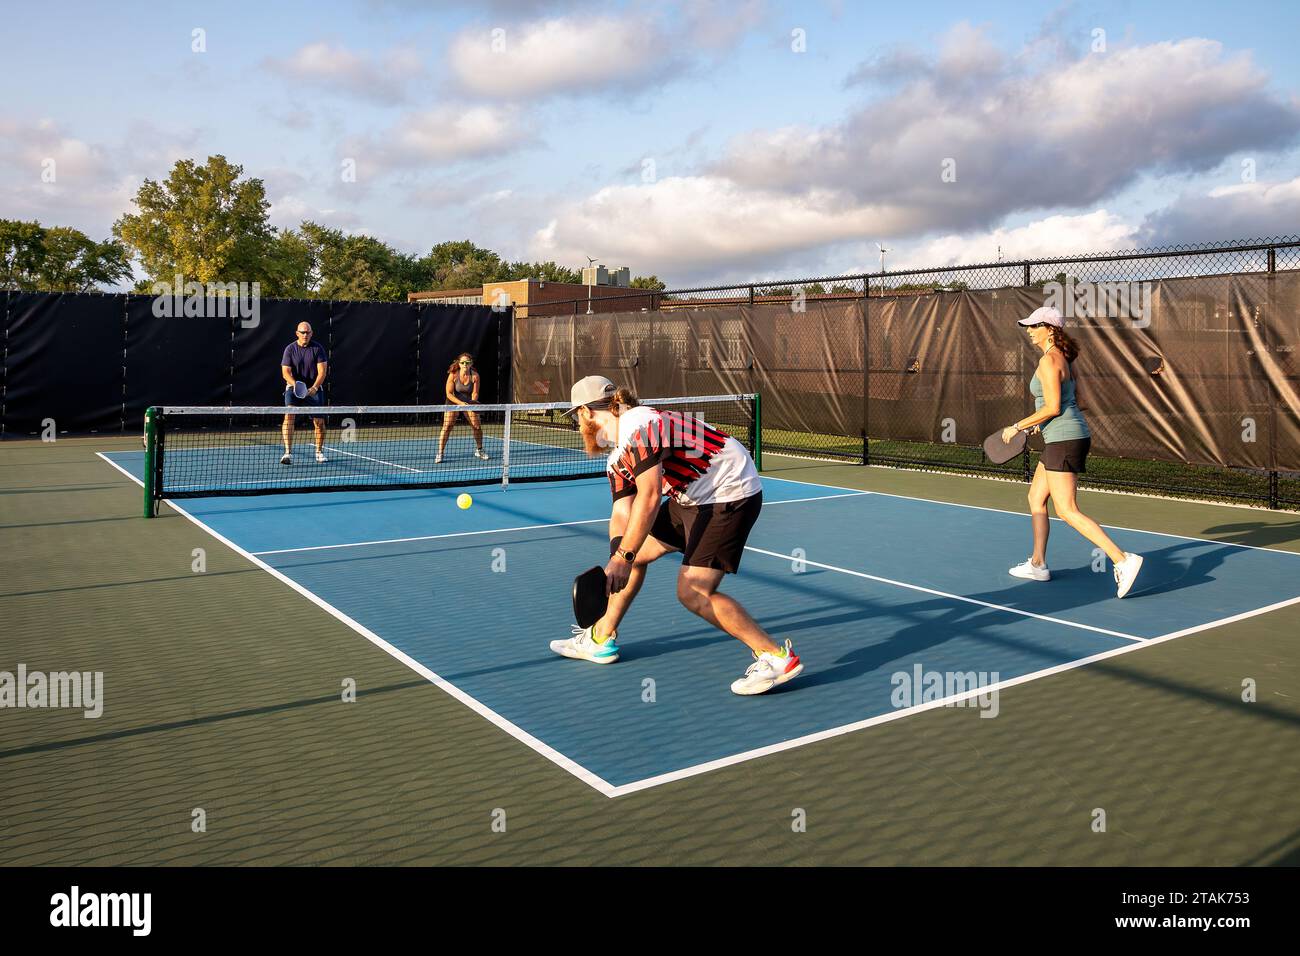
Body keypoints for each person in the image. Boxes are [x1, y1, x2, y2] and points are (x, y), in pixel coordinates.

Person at [549, 376, 803, 695]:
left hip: (729, 492)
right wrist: (619, 557)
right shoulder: (618, 456)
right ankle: (600, 639)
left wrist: (623, 558)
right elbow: (622, 513)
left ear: (586, 412)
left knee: (693, 591)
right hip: (693, 496)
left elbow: (651, 496)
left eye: (576, 418)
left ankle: (776, 658)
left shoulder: (639, 424)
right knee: (635, 552)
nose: (579, 426)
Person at [1005, 306, 1143, 598]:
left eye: (1034, 326)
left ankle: (1122, 559)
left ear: (1050, 329)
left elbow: (1053, 406)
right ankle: (1038, 564)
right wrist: (1042, 424)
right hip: (1064, 436)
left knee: (1066, 510)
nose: (1028, 331)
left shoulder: (1048, 362)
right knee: (1035, 497)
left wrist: (1018, 426)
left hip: (1065, 440)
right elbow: (1078, 400)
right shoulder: (1065, 359)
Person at [280, 322, 328, 465]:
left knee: (319, 422)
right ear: (297, 333)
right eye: (302, 332)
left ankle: (319, 452)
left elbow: (322, 372)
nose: (305, 335)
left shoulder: (318, 349)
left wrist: (313, 388)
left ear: (311, 333)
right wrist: (297, 385)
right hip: (293, 388)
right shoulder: (290, 349)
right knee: (289, 416)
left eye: (307, 332)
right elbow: (285, 373)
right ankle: (288, 453)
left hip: (313, 389)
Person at [436, 353, 489, 464]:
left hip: (468, 401)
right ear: (459, 364)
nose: (465, 364)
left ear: (471, 364)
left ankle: (479, 450)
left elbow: (475, 393)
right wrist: (461, 403)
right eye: (463, 362)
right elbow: (449, 394)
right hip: (453, 401)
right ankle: (440, 453)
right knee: (447, 426)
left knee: (477, 426)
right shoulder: (453, 375)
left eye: (467, 362)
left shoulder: (475, 376)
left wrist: (472, 402)